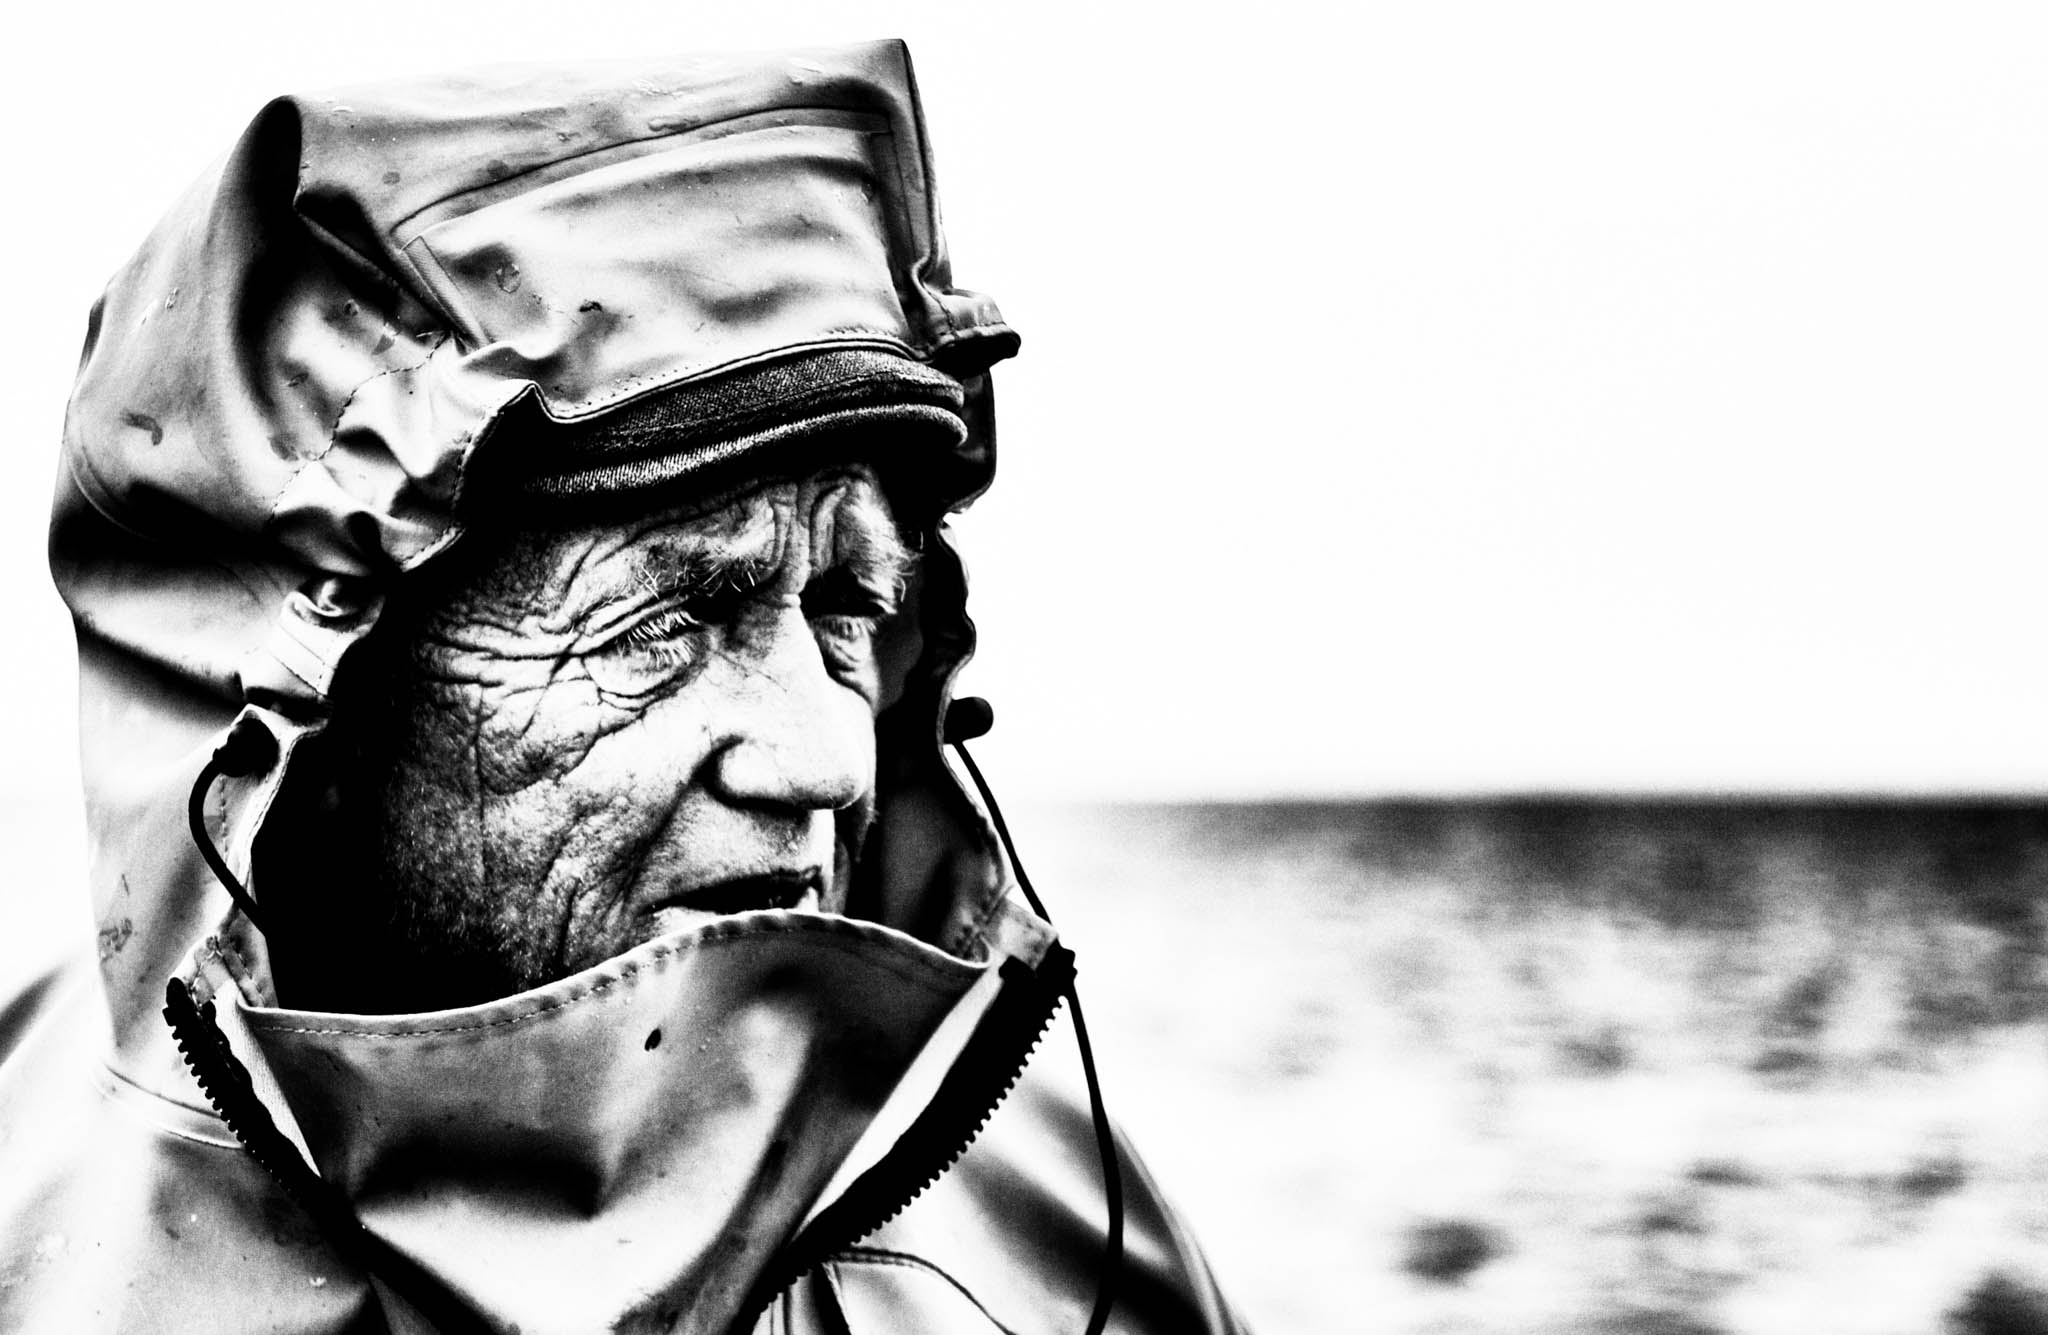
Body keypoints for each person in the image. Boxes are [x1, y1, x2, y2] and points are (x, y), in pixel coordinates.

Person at [0, 40, 1246, 1334]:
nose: (829, 758)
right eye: (673, 617)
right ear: (314, 713)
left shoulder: (1077, 1256)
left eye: (845, 610)